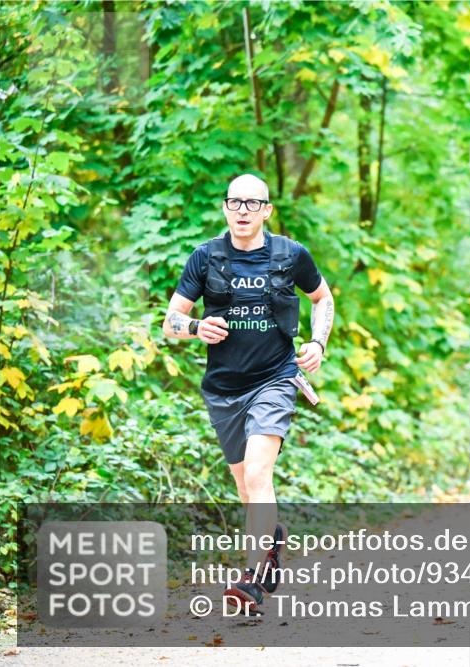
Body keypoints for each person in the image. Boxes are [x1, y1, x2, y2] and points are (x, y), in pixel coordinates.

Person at [163, 174, 334, 612]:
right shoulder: (205, 257)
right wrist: (196, 327)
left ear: (266, 210)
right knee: (245, 487)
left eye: (253, 203)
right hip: (224, 390)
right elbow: (171, 321)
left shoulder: (290, 255)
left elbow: (322, 297)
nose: (243, 210)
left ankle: (253, 581)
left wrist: (318, 343)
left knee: (259, 475)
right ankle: (271, 542)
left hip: (275, 378)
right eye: (235, 202)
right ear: (225, 207)